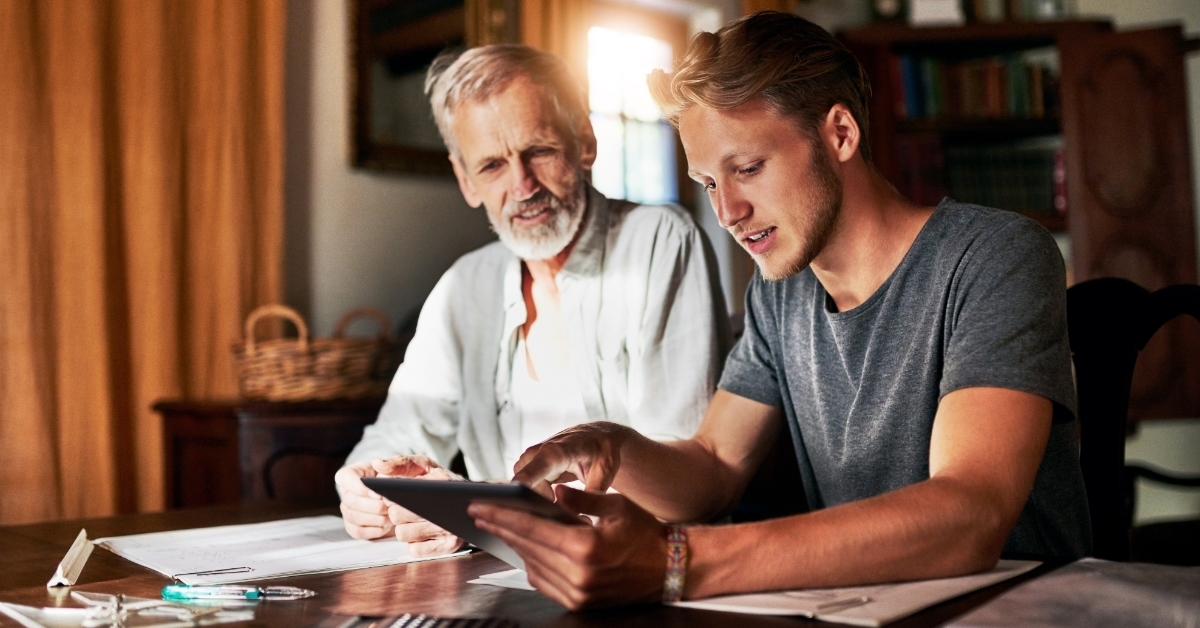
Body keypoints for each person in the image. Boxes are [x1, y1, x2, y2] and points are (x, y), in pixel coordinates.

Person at [468, 11, 1091, 609]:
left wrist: (676, 560)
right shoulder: (779, 292)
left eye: (748, 168)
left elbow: (969, 514)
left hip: (1016, 609)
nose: (727, 212)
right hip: (864, 610)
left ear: (840, 133)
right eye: (710, 183)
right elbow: (712, 466)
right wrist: (610, 445)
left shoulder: (996, 256)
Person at [336, 44, 731, 558]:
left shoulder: (660, 241)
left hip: (646, 575)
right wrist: (366, 488)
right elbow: (394, 436)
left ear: (584, 142)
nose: (522, 185)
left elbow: (681, 487)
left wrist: (483, 511)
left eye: (539, 151)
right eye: (493, 165)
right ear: (465, 180)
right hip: (505, 581)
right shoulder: (463, 287)